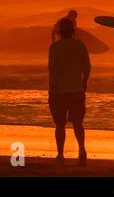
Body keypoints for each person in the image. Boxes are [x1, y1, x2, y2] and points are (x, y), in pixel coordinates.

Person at [48, 18, 91, 165]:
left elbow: (52, 71)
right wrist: (84, 82)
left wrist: (51, 91)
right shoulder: (80, 46)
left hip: (59, 91)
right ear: (73, 31)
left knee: (60, 124)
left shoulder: (54, 47)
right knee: (78, 123)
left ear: (60, 31)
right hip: (76, 90)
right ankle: (82, 149)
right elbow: (87, 67)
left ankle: (60, 154)